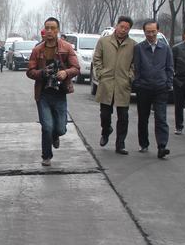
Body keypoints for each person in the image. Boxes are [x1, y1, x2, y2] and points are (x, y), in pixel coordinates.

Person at [26, 17, 80, 166]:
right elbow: (30, 71)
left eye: (52, 28)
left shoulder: (66, 48)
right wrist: (42, 73)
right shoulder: (37, 50)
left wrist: (66, 73)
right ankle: (46, 156)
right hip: (43, 94)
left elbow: (76, 68)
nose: (49, 31)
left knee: (61, 129)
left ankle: (55, 135)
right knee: (47, 127)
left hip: (60, 93)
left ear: (58, 30)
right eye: (47, 28)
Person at [93, 16, 136, 155]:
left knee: (123, 117)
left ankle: (120, 144)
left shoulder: (133, 45)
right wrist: (100, 73)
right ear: (116, 26)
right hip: (107, 83)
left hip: (123, 84)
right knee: (105, 114)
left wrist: (130, 76)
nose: (123, 30)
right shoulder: (104, 41)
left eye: (126, 28)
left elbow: (135, 64)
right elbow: (97, 58)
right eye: (121, 26)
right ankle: (106, 130)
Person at [133, 20, 173, 159]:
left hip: (161, 88)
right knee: (143, 117)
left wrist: (168, 83)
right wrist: (137, 83)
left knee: (161, 117)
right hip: (143, 88)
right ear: (144, 32)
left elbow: (169, 67)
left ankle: (162, 146)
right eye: (148, 32)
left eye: (153, 32)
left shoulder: (165, 48)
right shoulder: (139, 48)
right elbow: (136, 68)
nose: (151, 34)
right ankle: (143, 143)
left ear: (158, 31)